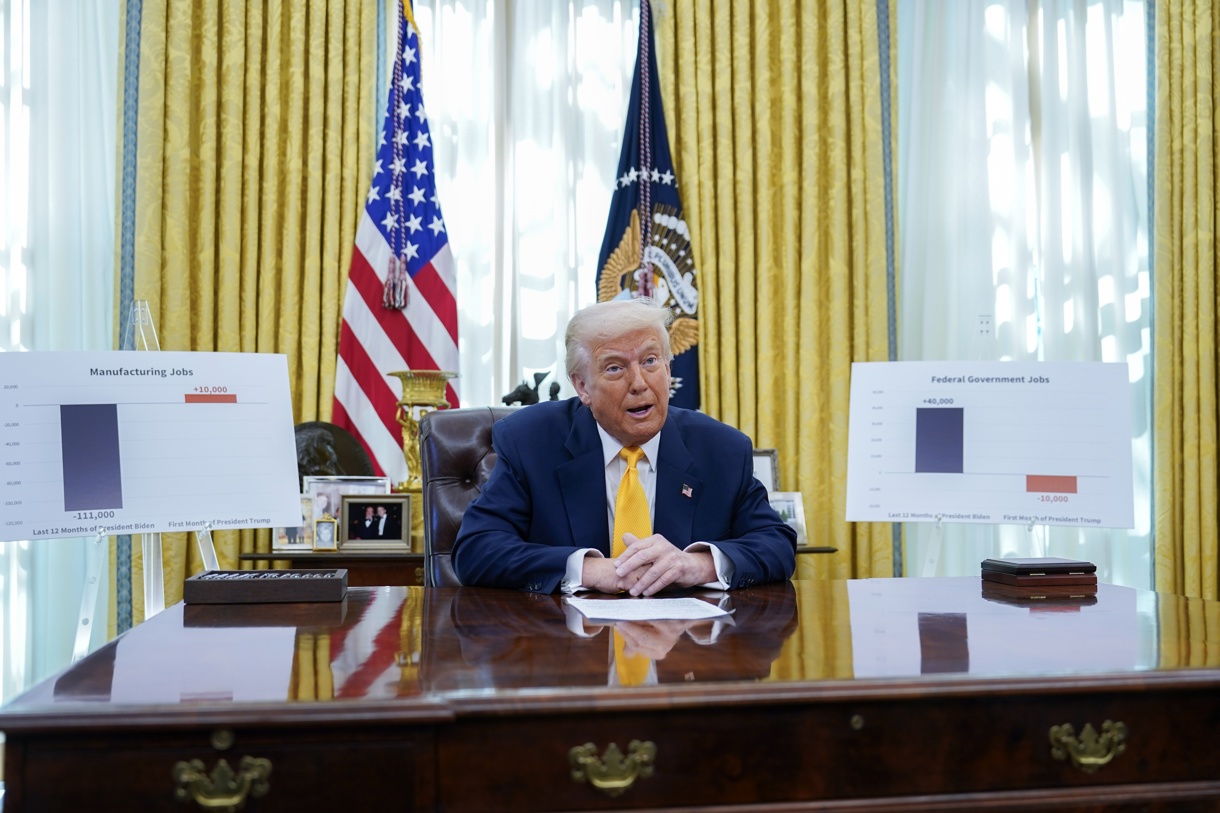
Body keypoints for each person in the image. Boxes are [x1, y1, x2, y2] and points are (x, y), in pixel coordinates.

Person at [452, 298, 797, 595]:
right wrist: (592, 570)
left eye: (650, 361)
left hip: (684, 653)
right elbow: (477, 550)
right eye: (615, 368)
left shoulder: (721, 449)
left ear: (667, 367)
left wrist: (696, 565)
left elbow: (776, 544)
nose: (639, 383)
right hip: (567, 650)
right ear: (582, 386)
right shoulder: (530, 441)